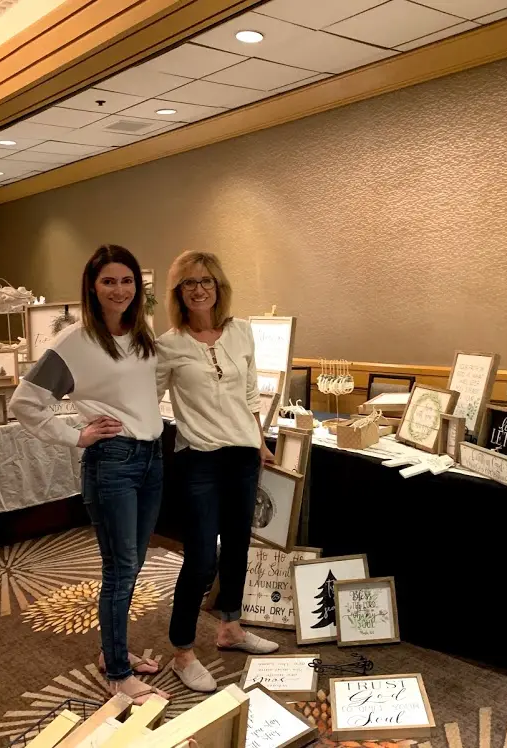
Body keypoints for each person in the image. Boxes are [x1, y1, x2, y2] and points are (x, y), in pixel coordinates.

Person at [10, 245, 169, 705]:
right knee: (120, 571)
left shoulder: (142, 333)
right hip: (113, 462)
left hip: (152, 458)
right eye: (108, 281)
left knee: (133, 565)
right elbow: (24, 403)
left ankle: (111, 652)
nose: (119, 290)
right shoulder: (74, 343)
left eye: (127, 281)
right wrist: (75, 437)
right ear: (92, 288)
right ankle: (118, 673)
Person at [156, 250, 279, 693]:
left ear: (219, 286)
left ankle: (231, 628)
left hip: (242, 458)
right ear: (178, 293)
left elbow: (250, 395)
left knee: (238, 549)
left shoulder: (241, 332)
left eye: (206, 280)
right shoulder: (168, 346)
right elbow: (146, 399)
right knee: (202, 557)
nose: (199, 289)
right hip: (199, 461)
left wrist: (260, 441)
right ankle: (183, 651)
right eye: (189, 283)